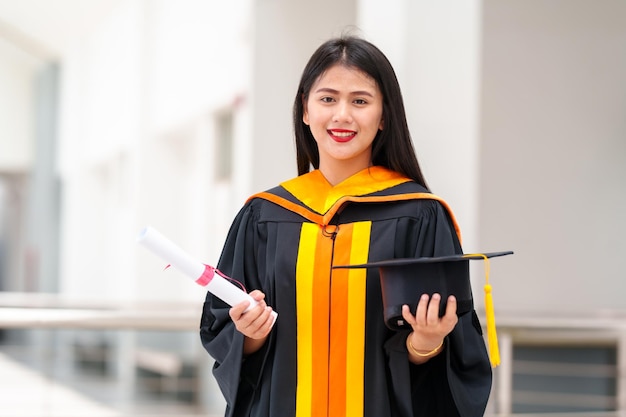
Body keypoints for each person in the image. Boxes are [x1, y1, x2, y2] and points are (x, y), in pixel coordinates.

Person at [200, 35, 492, 417]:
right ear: (305, 110)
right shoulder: (264, 216)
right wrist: (249, 335)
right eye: (327, 98)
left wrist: (426, 341)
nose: (342, 115)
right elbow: (223, 329)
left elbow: (451, 354)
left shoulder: (418, 215)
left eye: (360, 101)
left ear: (384, 114)